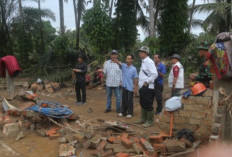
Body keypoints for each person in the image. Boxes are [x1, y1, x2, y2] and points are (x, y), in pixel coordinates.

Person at [135, 46, 158, 127]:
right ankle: (143, 118)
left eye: (142, 52)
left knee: (148, 103)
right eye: (140, 52)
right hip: (142, 86)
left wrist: (146, 82)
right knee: (142, 102)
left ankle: (150, 120)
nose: (140, 53)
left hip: (148, 86)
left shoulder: (149, 62)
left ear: (146, 53)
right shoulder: (143, 61)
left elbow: (155, 74)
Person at [103, 50, 122, 115]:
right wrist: (101, 70)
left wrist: (121, 81)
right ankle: (108, 108)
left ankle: (118, 109)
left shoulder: (119, 63)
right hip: (109, 83)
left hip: (117, 83)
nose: (113, 55)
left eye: (115, 54)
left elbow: (121, 73)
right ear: (110, 55)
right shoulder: (106, 63)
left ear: (117, 55)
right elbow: (104, 72)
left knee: (118, 96)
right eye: (112, 54)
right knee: (108, 96)